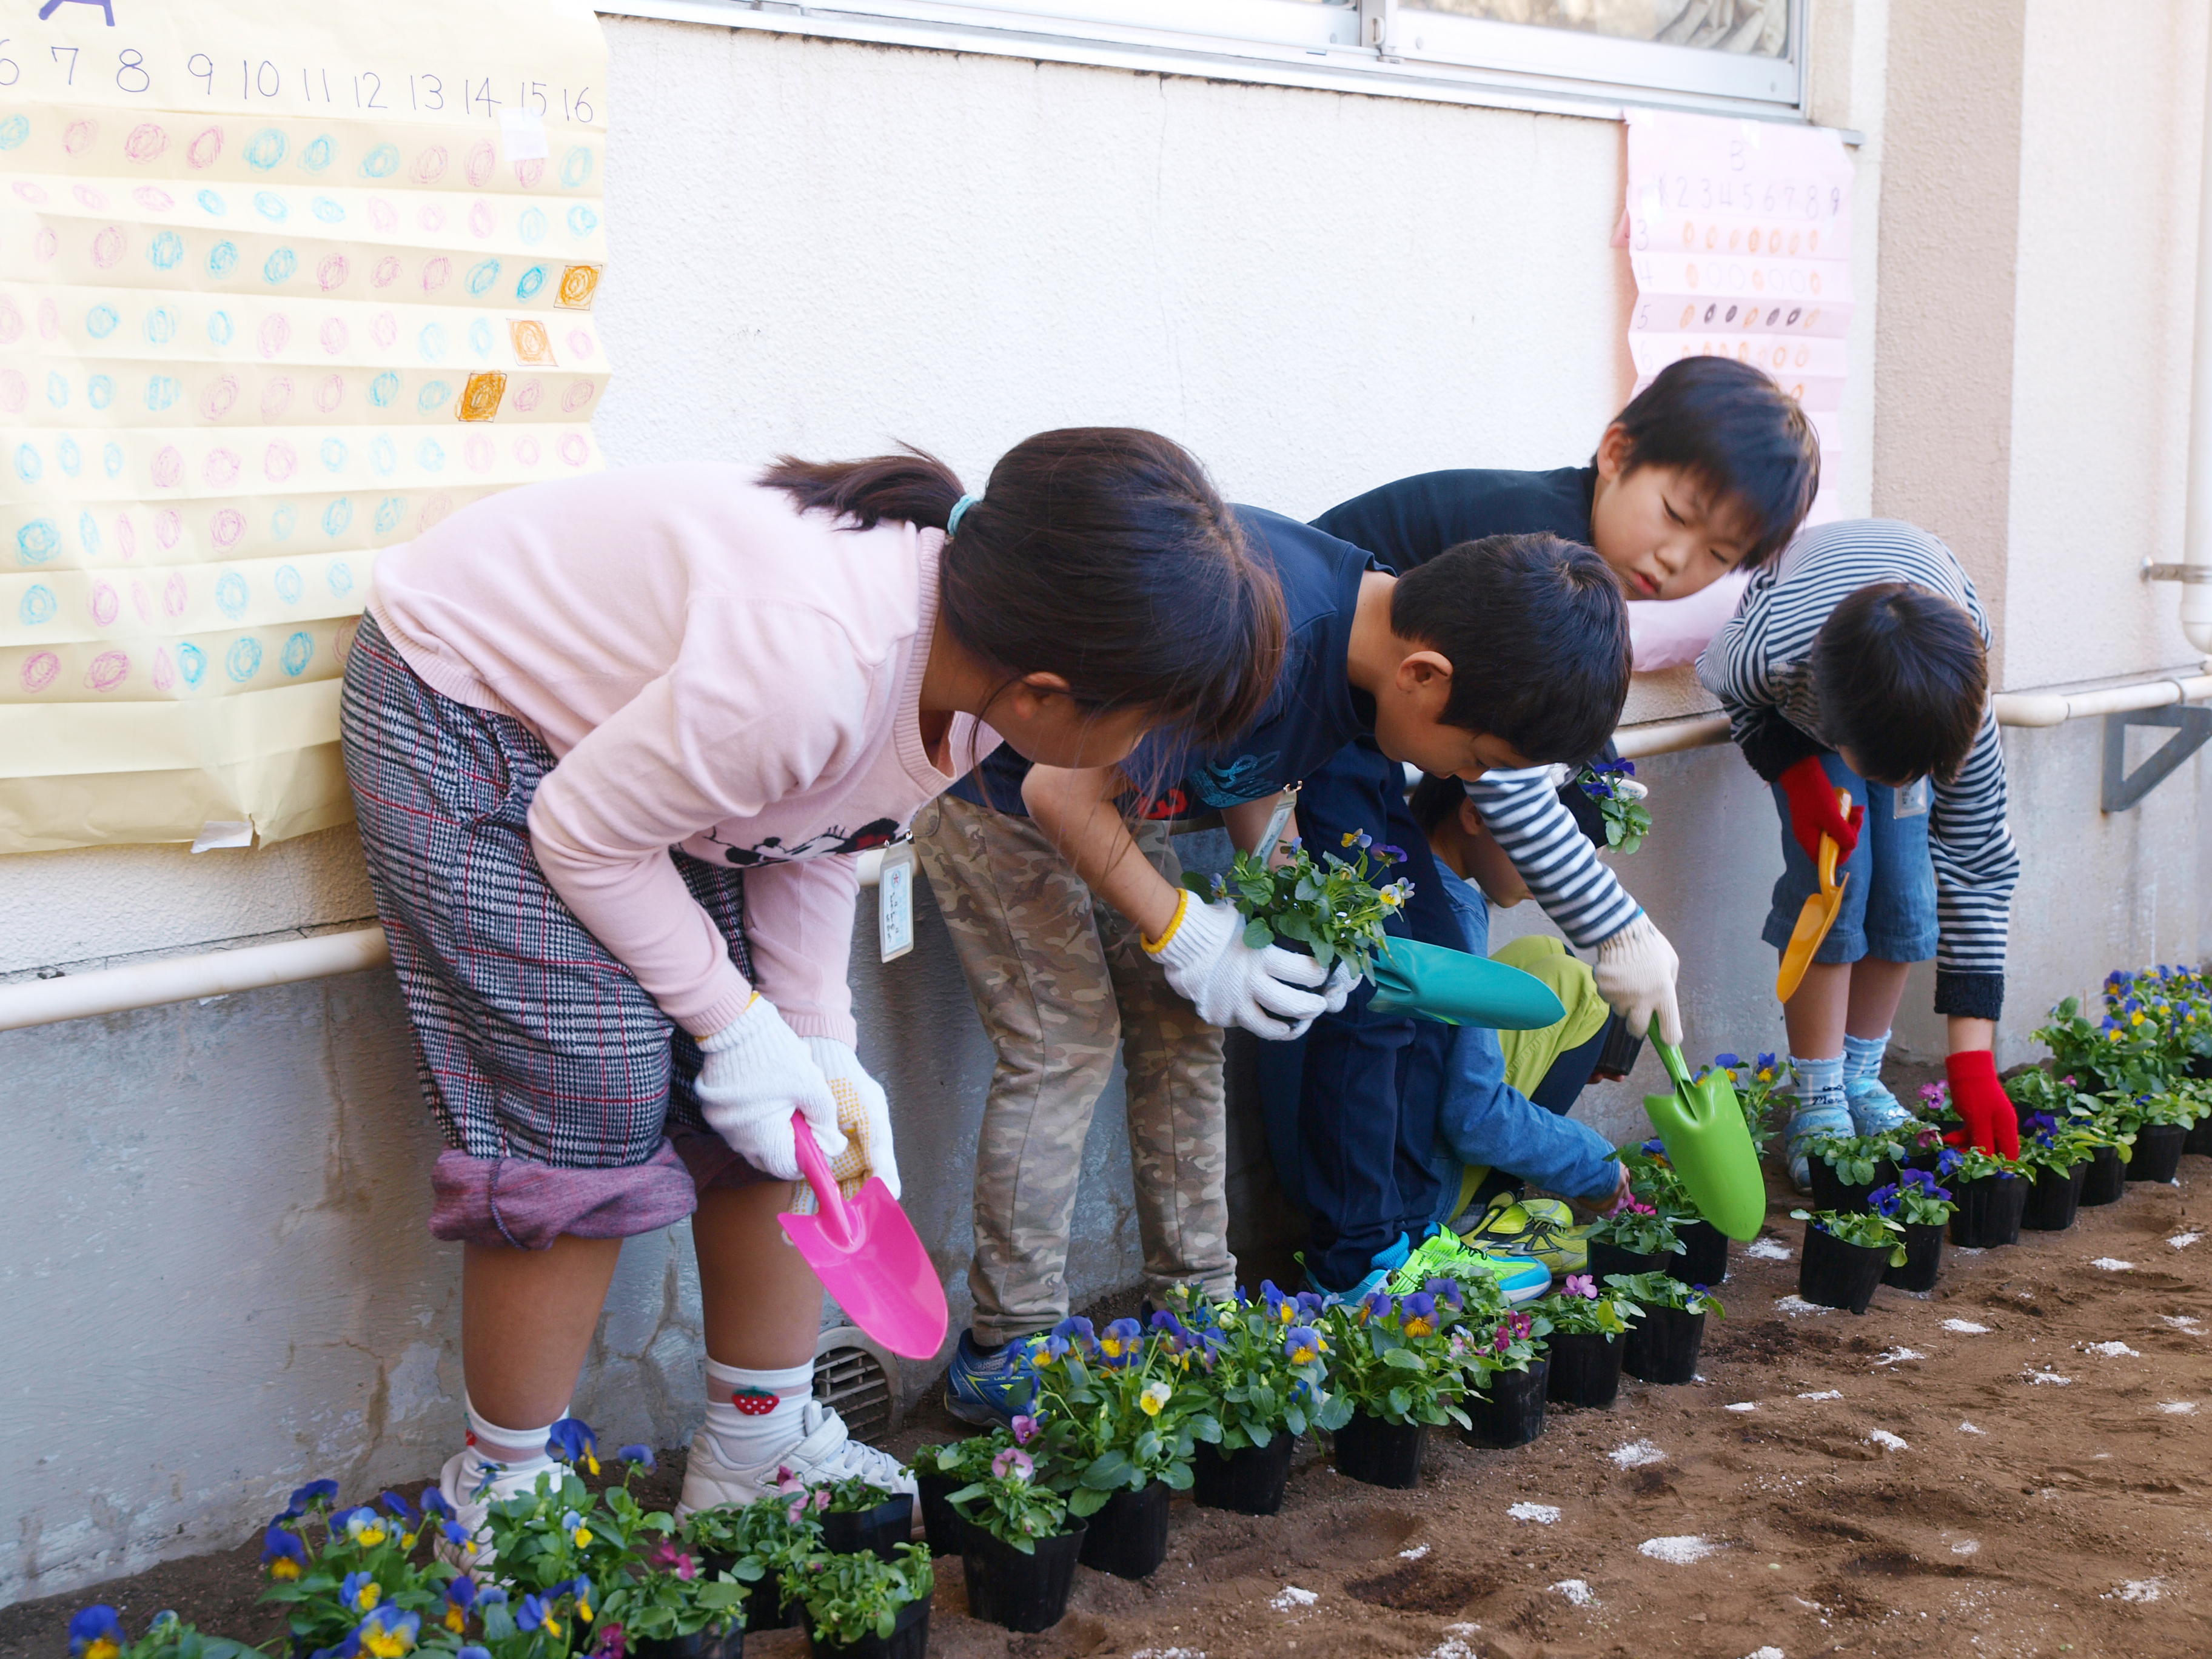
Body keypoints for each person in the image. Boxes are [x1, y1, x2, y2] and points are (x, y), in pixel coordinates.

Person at [338, 429, 1285, 1540]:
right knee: (593, 1077)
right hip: (472, 702)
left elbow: (822, 829)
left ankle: (757, 1442)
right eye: (1147, 721)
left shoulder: (969, 682)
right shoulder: (813, 660)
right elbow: (586, 836)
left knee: (801, 1111)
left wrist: (814, 1038)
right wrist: (734, 1025)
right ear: (1044, 691)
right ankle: (499, 1499)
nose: (1150, 750)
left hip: (646, 746)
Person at [1273, 356, 1820, 1287]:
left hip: (1372, 734)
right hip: (1315, 703)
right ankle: (1362, 1256)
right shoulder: (1537, 551)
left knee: (1431, 966)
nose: (1679, 561)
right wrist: (1617, 928)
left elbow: (1518, 753)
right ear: (1615, 454)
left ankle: (1398, 1228)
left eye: (1719, 558)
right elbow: (1510, 781)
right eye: (1680, 517)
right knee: (1389, 976)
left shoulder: (1580, 581)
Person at [1022, 529, 1634, 1299]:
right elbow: (1055, 791)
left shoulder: (1349, 648)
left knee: (1184, 1043)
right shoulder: (1264, 638)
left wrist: (1282, 889)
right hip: (1006, 797)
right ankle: (1011, 1346)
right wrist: (1189, 937)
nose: (1467, 779)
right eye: (1479, 758)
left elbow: (1250, 755)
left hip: (1112, 804)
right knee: (1063, 1054)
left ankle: (1207, 1302)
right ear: (1423, 675)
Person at [1697, 517, 2022, 1185]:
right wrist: (1791, 767)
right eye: (1883, 771)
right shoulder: (1770, 657)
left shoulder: (1962, 701)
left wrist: (1973, 1060)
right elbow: (1719, 675)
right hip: (1816, 660)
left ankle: (1860, 1079)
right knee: (1834, 881)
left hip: (1908, 640)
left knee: (1907, 887)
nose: (1896, 787)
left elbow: (1979, 861)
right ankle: (1818, 1095)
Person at [1390, 773, 1632, 1274]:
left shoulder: (1403, 864)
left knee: (1542, 953)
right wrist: (1597, 1166)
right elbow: (1473, 1117)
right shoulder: (1453, 910)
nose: (1551, 878)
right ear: (1476, 814)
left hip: (1344, 1177)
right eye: (1542, 842)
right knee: (1576, 987)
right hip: (1415, 1199)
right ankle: (1482, 1218)